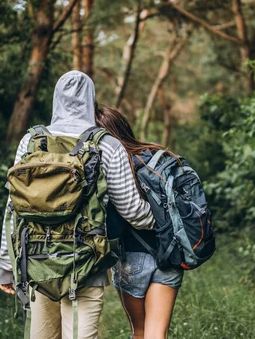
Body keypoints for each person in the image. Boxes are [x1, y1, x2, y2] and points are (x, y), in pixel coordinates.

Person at [0, 70, 155, 339]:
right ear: (91, 100)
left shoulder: (32, 141)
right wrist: (161, 220)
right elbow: (132, 210)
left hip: (36, 260)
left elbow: (13, 209)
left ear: (55, 99)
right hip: (86, 263)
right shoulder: (107, 144)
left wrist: (5, 265)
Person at [95, 104, 183, 339]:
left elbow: (112, 224)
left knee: (140, 331)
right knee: (157, 332)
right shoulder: (156, 156)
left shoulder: (108, 167)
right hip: (169, 251)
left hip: (131, 257)